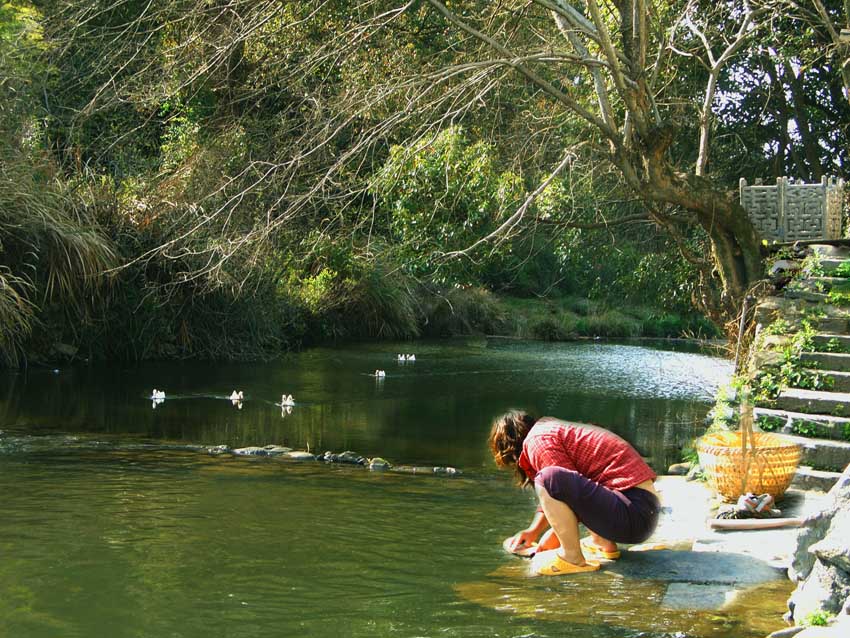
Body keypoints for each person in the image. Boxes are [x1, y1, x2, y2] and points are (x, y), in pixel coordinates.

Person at [489, 410, 661, 576]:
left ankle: (572, 557)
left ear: (509, 446)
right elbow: (569, 488)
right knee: (560, 478)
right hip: (639, 511)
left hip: (633, 514)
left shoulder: (537, 441)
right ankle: (601, 542)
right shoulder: (549, 430)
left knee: (548, 477)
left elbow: (558, 486)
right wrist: (533, 530)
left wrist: (556, 536)